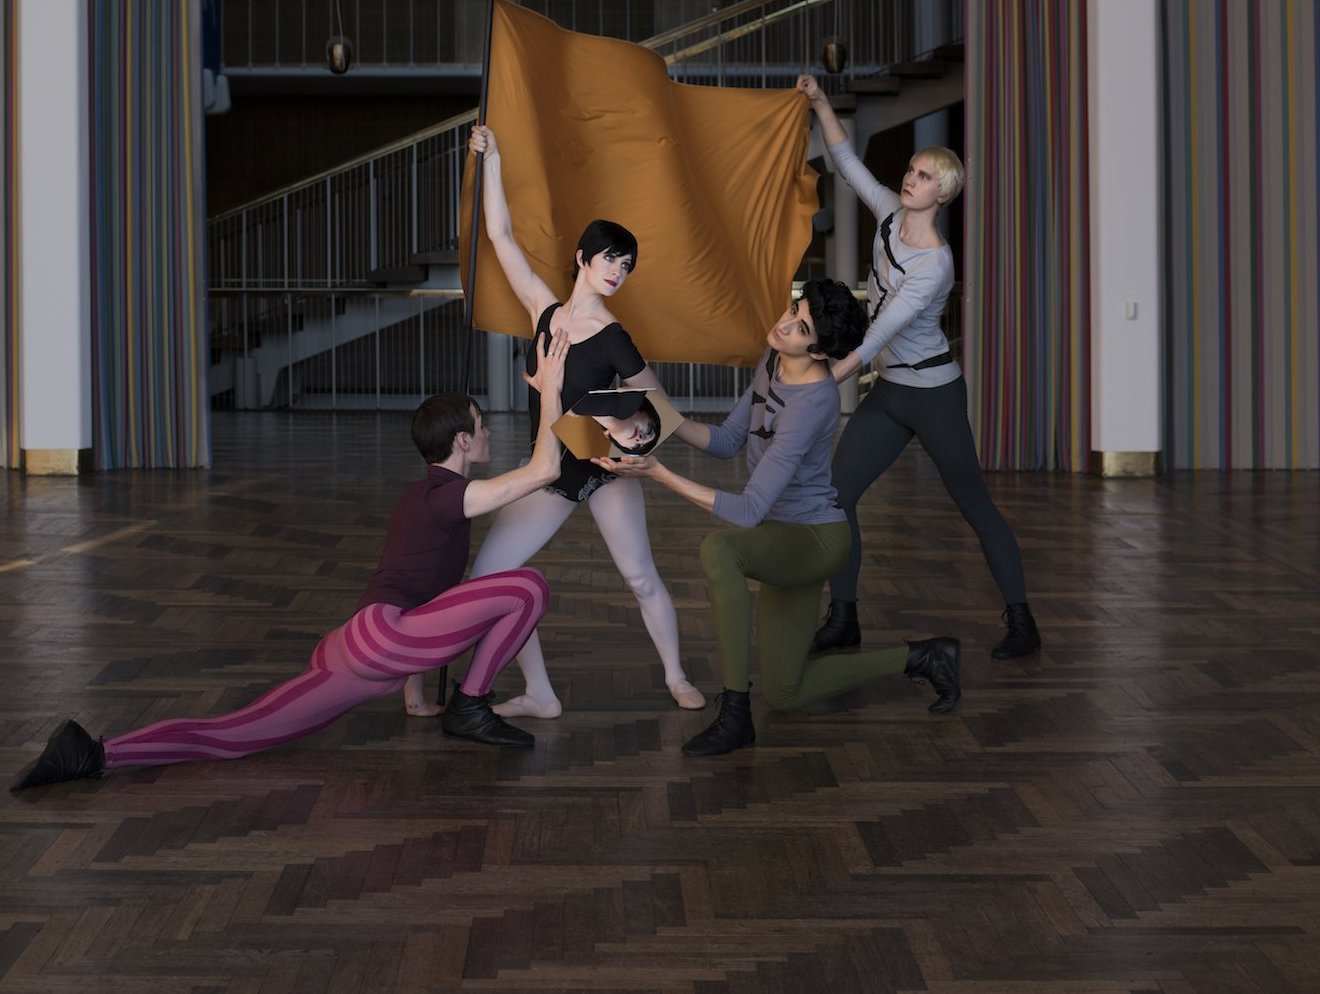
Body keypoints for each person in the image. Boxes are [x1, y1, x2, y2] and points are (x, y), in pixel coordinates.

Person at [9, 330, 575, 791]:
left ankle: (91, 753)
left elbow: (413, 588)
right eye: (481, 424)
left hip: (353, 646)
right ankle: (471, 705)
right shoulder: (449, 496)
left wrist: (414, 695)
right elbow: (545, 471)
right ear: (461, 441)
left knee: (235, 734)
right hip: (384, 641)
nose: (489, 431)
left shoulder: (419, 496)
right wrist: (550, 390)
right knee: (526, 586)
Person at [601, 281, 961, 757]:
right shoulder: (772, 360)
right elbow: (728, 441)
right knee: (785, 693)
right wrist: (655, 416)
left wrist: (659, 473)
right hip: (782, 537)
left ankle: (735, 713)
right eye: (794, 309)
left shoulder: (812, 403)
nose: (786, 324)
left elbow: (749, 511)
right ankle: (924, 657)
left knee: (721, 550)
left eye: (801, 328)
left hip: (814, 541)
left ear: (819, 351)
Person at [432, 124, 703, 721]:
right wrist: (491, 159)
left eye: (627, 266)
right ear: (582, 257)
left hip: (603, 471)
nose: (618, 271)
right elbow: (500, 236)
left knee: (640, 577)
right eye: (610, 258)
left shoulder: (614, 336)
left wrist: (614, 424)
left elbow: (658, 410)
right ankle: (540, 693)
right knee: (493, 577)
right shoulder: (544, 310)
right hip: (548, 470)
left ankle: (677, 675)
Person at [795, 74, 1040, 661]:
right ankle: (845, 617)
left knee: (973, 503)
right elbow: (847, 162)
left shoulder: (935, 264)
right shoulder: (887, 215)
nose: (911, 178)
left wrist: (820, 381)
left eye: (925, 175)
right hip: (890, 393)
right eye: (911, 169)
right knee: (837, 496)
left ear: (944, 193)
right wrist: (821, 102)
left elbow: (882, 329)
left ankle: (1022, 620)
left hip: (934, 395)